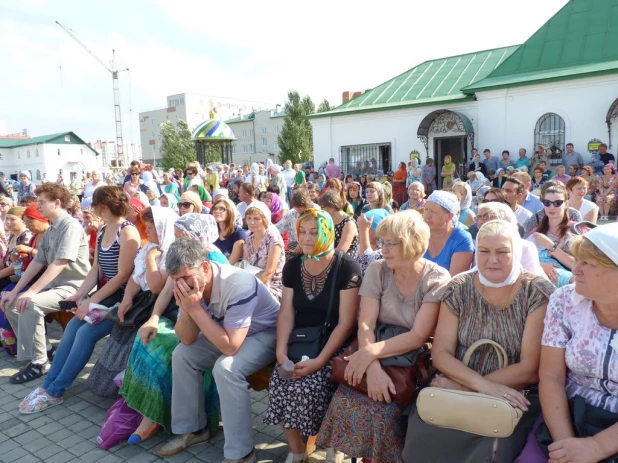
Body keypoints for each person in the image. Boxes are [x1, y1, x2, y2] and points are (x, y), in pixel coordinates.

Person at [403, 219, 555, 462]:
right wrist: (480, 386)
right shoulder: (458, 288)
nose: (492, 260)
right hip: (455, 384)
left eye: (502, 252)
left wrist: (466, 388)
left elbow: (529, 368)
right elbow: (441, 352)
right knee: (424, 433)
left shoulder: (536, 292)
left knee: (497, 448)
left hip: (511, 393)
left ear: (516, 252)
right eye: (484, 251)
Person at [317, 211, 450, 463]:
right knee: (344, 399)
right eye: (382, 242)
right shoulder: (378, 269)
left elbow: (418, 336)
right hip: (376, 347)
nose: (383, 249)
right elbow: (365, 322)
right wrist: (373, 367)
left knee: (385, 412)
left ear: (412, 242)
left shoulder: (436, 278)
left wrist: (367, 354)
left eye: (391, 243)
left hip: (409, 358)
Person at [16, 186, 139, 412]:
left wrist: (91, 302)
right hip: (108, 296)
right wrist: (80, 294)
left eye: (95, 205)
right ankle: (48, 384)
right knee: (73, 326)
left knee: (84, 333)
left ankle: (56, 390)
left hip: (125, 300)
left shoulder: (127, 232)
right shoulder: (104, 229)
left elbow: (123, 275)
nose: (91, 209)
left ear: (104, 206)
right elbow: (97, 269)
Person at [156, 238, 279, 462]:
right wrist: (189, 308)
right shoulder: (191, 284)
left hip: (267, 333)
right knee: (182, 355)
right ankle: (195, 430)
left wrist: (195, 309)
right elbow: (186, 338)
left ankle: (241, 453)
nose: (181, 285)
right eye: (175, 280)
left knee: (226, 369)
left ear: (204, 267)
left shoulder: (238, 283)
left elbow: (230, 348)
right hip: (228, 332)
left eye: (184, 277)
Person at [263, 209, 361, 463]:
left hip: (333, 345)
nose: (306, 238)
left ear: (327, 232)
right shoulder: (294, 265)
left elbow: (346, 322)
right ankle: (297, 450)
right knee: (280, 381)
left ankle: (332, 445)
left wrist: (320, 361)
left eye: (314, 232)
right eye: (302, 232)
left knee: (310, 386)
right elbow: (286, 312)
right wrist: (281, 351)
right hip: (300, 341)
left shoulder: (345, 266)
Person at [121, 214, 228, 445]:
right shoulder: (181, 259)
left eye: (180, 236)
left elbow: (215, 316)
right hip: (183, 318)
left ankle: (155, 416)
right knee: (147, 336)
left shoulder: (212, 261)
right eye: (176, 235)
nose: (176, 240)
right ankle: (150, 409)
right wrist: (153, 318)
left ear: (195, 236)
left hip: (208, 329)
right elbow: (168, 290)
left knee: (163, 349)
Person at [537, 223, 618, 463]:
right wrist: (565, 446)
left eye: (588, 264)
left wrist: (597, 447)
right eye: (577, 260)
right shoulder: (564, 300)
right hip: (570, 415)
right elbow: (551, 376)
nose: (575, 269)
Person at [1, 184, 91, 383]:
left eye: (41, 202)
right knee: (11, 303)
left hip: (75, 287)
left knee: (30, 304)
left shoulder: (70, 226)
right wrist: (15, 291)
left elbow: (60, 262)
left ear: (57, 203)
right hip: (56, 286)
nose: (37, 206)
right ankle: (45, 350)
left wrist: (30, 292)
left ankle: (40, 362)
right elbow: (37, 262)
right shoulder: (51, 230)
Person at [527, 183, 575, 287]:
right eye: (547, 203)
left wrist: (551, 247)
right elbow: (522, 257)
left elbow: (578, 265)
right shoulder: (536, 231)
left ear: (566, 204)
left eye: (557, 203)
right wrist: (541, 265)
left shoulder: (575, 231)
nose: (551, 207)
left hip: (571, 282)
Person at [422, 191, 474, 275]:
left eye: (433, 211)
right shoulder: (420, 234)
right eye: (426, 210)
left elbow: (453, 281)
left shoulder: (461, 238)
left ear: (450, 216)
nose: (427, 215)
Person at [241, 205, 285, 300]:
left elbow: (269, 272)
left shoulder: (273, 239)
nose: (252, 222)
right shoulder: (248, 241)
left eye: (256, 218)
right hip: (252, 283)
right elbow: (245, 266)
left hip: (273, 286)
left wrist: (250, 290)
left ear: (264, 220)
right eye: (249, 218)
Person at [319, 190, 359, 258]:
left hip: (344, 261)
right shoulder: (328, 220)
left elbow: (342, 250)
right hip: (330, 257)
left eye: (322, 207)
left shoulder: (349, 223)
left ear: (332, 205)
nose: (321, 210)